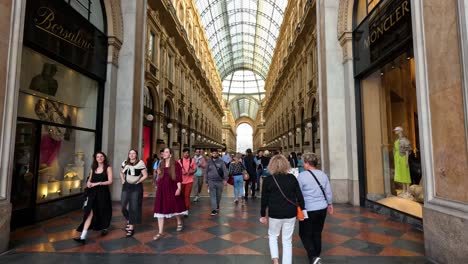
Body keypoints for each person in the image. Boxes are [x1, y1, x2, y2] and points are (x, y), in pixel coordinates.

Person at [260, 154, 305, 264]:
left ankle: (275, 261)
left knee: (273, 236)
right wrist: (302, 210)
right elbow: (299, 196)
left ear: (271, 166)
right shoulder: (292, 178)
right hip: (290, 213)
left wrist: (262, 214)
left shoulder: (268, 180)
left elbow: (264, 199)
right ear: (286, 164)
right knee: (287, 240)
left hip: (275, 213)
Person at [297, 153, 333, 264]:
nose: (303, 165)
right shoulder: (323, 175)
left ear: (307, 163)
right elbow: (328, 192)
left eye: (304, 162)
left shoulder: (302, 176)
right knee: (317, 232)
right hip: (322, 208)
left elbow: (298, 193)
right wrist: (330, 204)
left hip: (308, 209)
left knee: (304, 233)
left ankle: (313, 256)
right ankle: (316, 256)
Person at [73, 152, 113, 244]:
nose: (99, 158)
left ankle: (104, 227)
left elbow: (110, 181)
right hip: (92, 193)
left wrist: (98, 183)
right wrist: (88, 183)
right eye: (97, 157)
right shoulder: (93, 168)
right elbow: (89, 180)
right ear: (95, 158)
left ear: (104, 158)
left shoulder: (108, 168)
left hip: (103, 193)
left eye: (101, 156)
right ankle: (82, 237)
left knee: (102, 211)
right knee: (89, 213)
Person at [153, 148, 188, 240]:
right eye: (164, 152)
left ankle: (179, 221)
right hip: (162, 189)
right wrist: (159, 173)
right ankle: (160, 232)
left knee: (175, 206)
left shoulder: (176, 164)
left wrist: (179, 188)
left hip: (172, 188)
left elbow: (178, 178)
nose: (164, 153)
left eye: (166, 152)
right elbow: (159, 177)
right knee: (160, 208)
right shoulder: (161, 163)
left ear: (171, 154)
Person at [120, 149, 148, 237]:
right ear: (128, 155)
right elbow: (121, 172)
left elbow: (145, 175)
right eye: (130, 153)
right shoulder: (125, 162)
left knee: (133, 206)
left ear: (136, 155)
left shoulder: (140, 163)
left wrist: (138, 181)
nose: (131, 155)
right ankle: (129, 219)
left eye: (133, 153)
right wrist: (123, 180)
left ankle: (131, 227)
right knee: (123, 206)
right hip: (126, 186)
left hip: (136, 187)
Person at [205, 148, 227, 216]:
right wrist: (206, 181)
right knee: (212, 195)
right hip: (211, 181)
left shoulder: (221, 162)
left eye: (216, 153)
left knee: (218, 195)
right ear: (211, 154)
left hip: (220, 181)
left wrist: (225, 179)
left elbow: (225, 171)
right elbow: (206, 172)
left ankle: (217, 205)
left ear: (218, 154)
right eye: (213, 153)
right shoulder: (209, 162)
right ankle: (214, 209)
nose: (214, 154)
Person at [177, 148, 197, 213]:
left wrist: (190, 172)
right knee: (181, 195)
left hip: (189, 181)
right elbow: (176, 170)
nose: (186, 154)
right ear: (183, 153)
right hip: (181, 181)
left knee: (187, 195)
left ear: (189, 153)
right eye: (185, 153)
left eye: (187, 153)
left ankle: (186, 209)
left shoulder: (192, 160)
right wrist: (181, 172)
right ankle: (181, 207)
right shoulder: (179, 161)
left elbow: (195, 169)